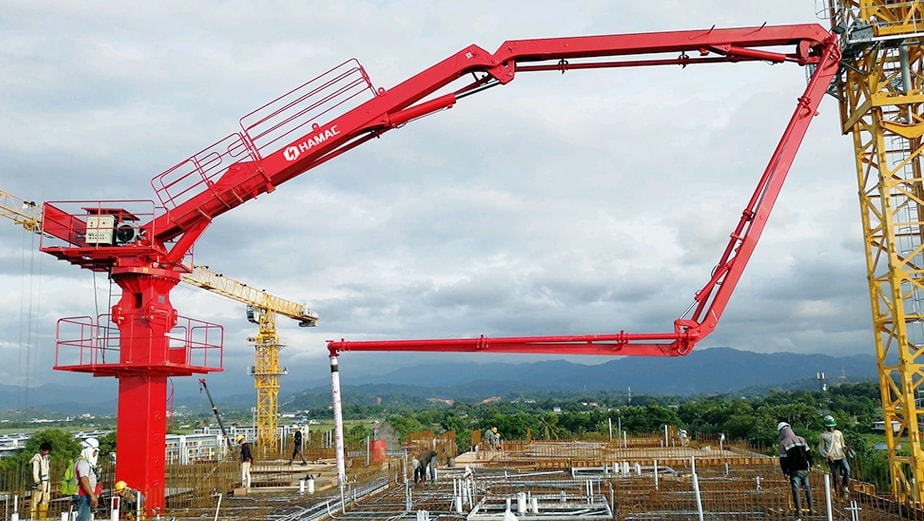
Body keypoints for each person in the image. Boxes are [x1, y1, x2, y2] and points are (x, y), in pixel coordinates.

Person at [778, 422, 814, 519]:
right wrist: (811, 465)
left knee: (795, 490)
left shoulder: (783, 443)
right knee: (807, 488)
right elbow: (809, 454)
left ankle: (799, 511)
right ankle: (811, 508)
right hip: (805, 469)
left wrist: (785, 472)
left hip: (794, 470)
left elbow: (783, 460)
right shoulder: (801, 439)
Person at [818, 415, 851, 498]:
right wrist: (827, 455)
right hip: (832, 458)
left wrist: (845, 448)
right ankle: (837, 493)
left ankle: (845, 486)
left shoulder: (839, 433)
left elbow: (842, 444)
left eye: (832, 427)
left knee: (847, 470)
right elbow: (821, 449)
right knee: (835, 475)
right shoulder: (823, 436)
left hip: (841, 456)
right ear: (826, 426)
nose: (831, 428)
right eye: (829, 427)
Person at [75, 438, 100, 521]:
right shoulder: (83, 463)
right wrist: (92, 496)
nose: (95, 454)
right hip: (83, 496)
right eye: (95, 451)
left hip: (84, 495)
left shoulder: (83, 462)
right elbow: (84, 480)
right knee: (83, 519)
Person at [29, 441, 52, 520]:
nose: (47, 452)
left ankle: (43, 518)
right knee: (36, 500)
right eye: (46, 451)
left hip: (46, 482)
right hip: (40, 482)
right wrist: (38, 483)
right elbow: (35, 472)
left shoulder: (46, 459)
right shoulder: (36, 459)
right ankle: (34, 518)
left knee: (45, 500)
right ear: (41, 450)